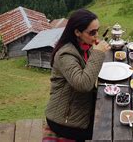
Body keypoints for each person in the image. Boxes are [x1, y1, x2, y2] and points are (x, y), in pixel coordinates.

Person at [45, 9, 110, 141]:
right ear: (77, 32)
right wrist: (98, 54)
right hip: (65, 120)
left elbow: (90, 68)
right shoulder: (65, 54)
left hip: (81, 106)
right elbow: (83, 84)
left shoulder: (85, 46)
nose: (96, 36)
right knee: (109, 129)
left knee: (112, 114)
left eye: (97, 30)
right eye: (92, 32)